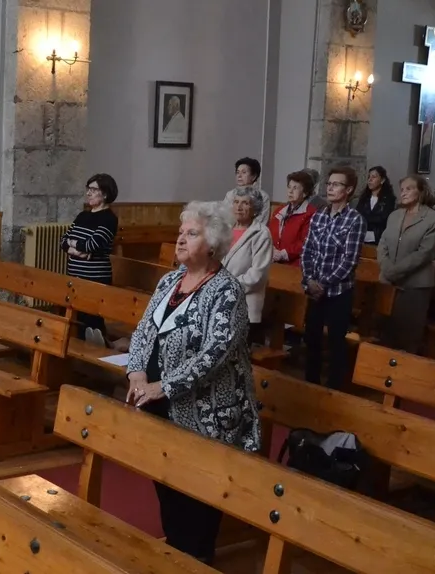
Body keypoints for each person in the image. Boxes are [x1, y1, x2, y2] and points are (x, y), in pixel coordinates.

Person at [125, 200, 258, 565]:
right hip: (159, 407)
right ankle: (176, 557)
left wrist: (162, 386)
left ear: (213, 242)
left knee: (197, 499)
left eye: (192, 233)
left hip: (206, 415)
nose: (181, 240)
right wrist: (137, 371)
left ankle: (196, 562)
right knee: (167, 486)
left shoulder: (227, 292)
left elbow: (213, 355)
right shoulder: (169, 280)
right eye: (180, 233)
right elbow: (143, 332)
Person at [300, 165, 366, 389]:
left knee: (336, 343)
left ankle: (335, 390)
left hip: (338, 292)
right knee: (312, 339)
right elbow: (307, 250)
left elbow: (349, 262)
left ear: (348, 190)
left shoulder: (354, 220)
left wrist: (323, 284)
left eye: (336, 184)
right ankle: (311, 386)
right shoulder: (319, 216)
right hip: (314, 290)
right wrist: (309, 280)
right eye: (328, 184)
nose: (330, 188)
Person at [377, 175, 435, 354]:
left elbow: (424, 253)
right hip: (388, 283)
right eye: (402, 189)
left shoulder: (433, 218)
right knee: (385, 334)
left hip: (415, 286)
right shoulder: (394, 215)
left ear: (421, 191)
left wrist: (393, 271)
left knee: (408, 337)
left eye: (409, 188)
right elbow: (382, 243)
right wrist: (386, 267)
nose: (404, 193)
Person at [59, 173, 119, 346]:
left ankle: (100, 353)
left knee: (93, 322)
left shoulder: (109, 219)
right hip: (75, 276)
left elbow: (93, 245)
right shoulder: (82, 216)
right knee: (77, 320)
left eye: (93, 189)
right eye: (88, 189)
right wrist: (78, 249)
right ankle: (81, 351)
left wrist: (74, 247)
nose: (89, 193)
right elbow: (63, 241)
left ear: (105, 194)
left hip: (95, 277)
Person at [224, 188, 273, 340]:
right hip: (221, 302)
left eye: (245, 203)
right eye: (236, 202)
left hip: (245, 305)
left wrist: (228, 287)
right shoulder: (225, 229)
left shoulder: (261, 233)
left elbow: (257, 274)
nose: (239, 207)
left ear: (255, 208)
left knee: (238, 357)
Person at [269, 170, 317, 267]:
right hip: (273, 261)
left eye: (295, 188)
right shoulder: (279, 210)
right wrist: (272, 250)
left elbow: (306, 242)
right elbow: (269, 234)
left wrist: (282, 254)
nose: (290, 191)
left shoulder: (311, 213)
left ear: (305, 192)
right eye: (289, 187)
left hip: (295, 265)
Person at [354, 165, 396, 244]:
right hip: (361, 236)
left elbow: (384, 219)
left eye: (374, 177)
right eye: (369, 177)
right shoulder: (363, 199)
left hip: (378, 237)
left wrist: (366, 219)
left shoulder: (389, 200)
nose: (370, 180)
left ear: (382, 180)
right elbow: (357, 216)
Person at [224, 157, 271, 223]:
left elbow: (261, 222)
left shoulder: (263, 196)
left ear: (254, 176)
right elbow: (225, 217)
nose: (239, 176)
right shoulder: (230, 194)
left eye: (244, 172)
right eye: (237, 172)